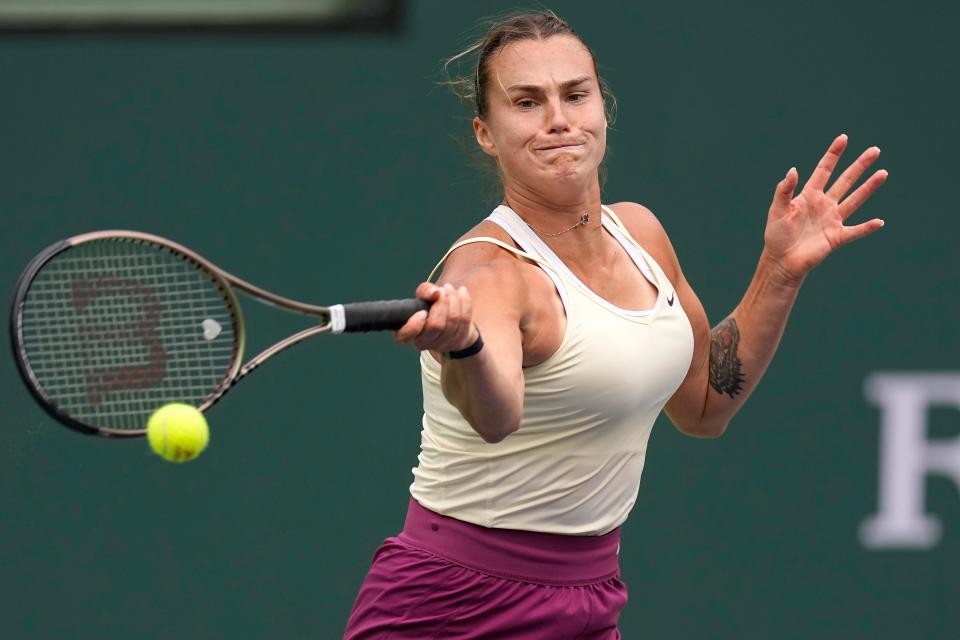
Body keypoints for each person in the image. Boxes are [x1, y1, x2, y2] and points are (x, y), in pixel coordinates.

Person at [343, 9, 886, 639]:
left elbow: (706, 406)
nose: (558, 120)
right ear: (486, 133)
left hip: (589, 601)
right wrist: (462, 346)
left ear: (604, 108)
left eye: (576, 94)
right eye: (527, 102)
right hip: (450, 607)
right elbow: (495, 419)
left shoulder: (642, 234)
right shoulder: (489, 273)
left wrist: (780, 271)